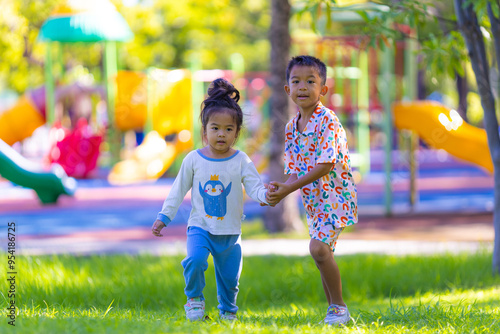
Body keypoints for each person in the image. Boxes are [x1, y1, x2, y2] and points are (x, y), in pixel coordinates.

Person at [152, 78, 270, 322]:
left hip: (230, 231)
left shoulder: (241, 160)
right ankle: (194, 301)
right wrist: (164, 216)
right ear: (204, 130)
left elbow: (255, 187)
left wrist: (266, 196)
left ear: (237, 133)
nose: (221, 134)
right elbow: (177, 190)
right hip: (200, 227)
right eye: (215, 128)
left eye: (228, 129)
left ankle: (228, 312)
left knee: (230, 279)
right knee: (194, 260)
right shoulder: (193, 160)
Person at [266, 55, 358, 326]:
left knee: (318, 249)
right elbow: (295, 168)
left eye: (310, 81)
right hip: (314, 201)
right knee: (321, 253)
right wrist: (280, 188)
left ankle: (339, 307)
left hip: (335, 197)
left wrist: (288, 189)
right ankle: (335, 312)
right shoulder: (291, 127)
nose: (302, 87)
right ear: (287, 89)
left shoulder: (327, 120)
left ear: (323, 89)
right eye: (296, 81)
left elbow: (326, 164)